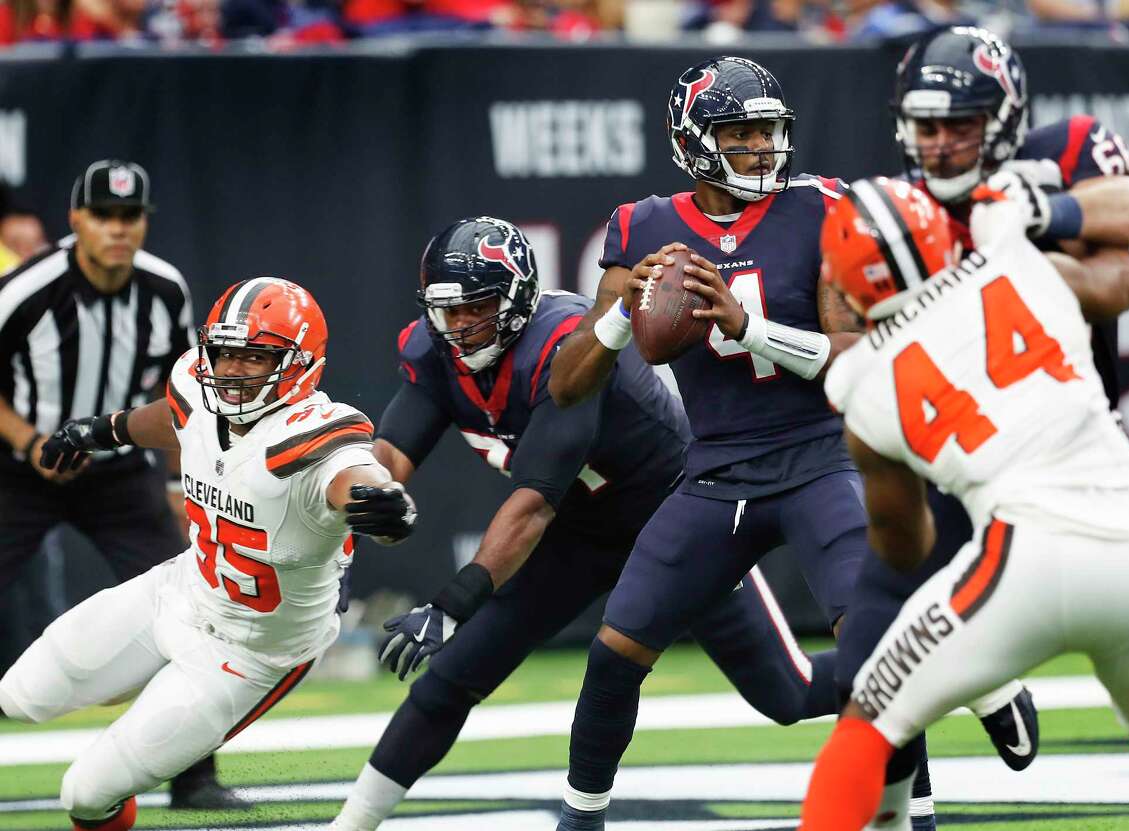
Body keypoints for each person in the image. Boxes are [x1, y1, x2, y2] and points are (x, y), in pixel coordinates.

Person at [546, 56, 1029, 831]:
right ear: (693, 143)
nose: (763, 149)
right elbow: (569, 385)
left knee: (871, 640)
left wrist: (747, 328)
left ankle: (919, 809)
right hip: (714, 469)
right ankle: (580, 818)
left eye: (770, 131)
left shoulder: (824, 209)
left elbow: (854, 354)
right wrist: (617, 314)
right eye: (740, 134)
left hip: (820, 453)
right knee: (612, 653)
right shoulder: (642, 227)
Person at [329, 216, 836, 831]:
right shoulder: (434, 353)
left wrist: (453, 600)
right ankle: (349, 826)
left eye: (477, 307)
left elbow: (535, 500)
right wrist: (378, 494)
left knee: (788, 693)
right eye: (447, 310)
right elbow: (392, 453)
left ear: (516, 298)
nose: (459, 325)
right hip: (576, 532)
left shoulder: (569, 345)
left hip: (674, 520)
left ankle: (919, 666)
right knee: (451, 679)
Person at [828, 27, 1129, 824]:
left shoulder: (1046, 168)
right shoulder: (896, 214)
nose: (938, 141)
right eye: (924, 125)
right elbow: (849, 341)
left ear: (1003, 118)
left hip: (1073, 459)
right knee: (863, 676)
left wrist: (1039, 221)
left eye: (958, 122)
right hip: (954, 470)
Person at [0, 276, 417, 831]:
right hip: (178, 592)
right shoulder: (198, 389)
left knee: (84, 792)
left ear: (302, 364)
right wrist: (103, 430)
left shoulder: (316, 434)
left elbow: (355, 475)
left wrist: (385, 506)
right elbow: (175, 416)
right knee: (20, 693)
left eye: (254, 358)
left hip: (250, 655)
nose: (232, 371)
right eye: (223, 354)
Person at [0, 159, 247, 809]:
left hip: (116, 472)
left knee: (198, 605)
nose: (117, 229)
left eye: (129, 216)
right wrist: (29, 441)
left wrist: (181, 485)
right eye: (104, 216)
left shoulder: (165, 290)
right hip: (20, 468)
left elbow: (186, 396)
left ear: (144, 222)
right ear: (75, 218)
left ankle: (193, 776)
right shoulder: (27, 288)